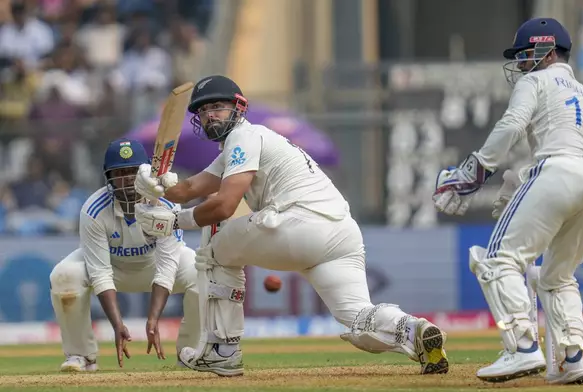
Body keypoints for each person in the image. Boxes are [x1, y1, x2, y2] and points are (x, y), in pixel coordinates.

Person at [132, 75, 449, 377]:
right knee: (357, 317)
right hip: (341, 233)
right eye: (203, 111)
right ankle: (414, 330)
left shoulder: (244, 136)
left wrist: (176, 220)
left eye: (217, 107)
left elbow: (224, 205)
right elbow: (189, 189)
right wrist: (157, 185)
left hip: (300, 224)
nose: (210, 116)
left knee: (214, 248)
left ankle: (222, 351)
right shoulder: (243, 143)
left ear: (239, 107)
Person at [432, 18, 583, 385]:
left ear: (545, 51)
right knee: (558, 276)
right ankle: (572, 356)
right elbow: (564, 147)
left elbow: (514, 124)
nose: (519, 65)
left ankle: (522, 347)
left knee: (497, 260)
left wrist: (475, 172)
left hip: (560, 171)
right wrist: (516, 184)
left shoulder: (536, 80)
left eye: (524, 55)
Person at [49, 138, 199, 372]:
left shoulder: (166, 204)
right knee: (64, 275)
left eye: (133, 171)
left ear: (146, 172)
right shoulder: (93, 209)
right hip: (113, 268)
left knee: (202, 270)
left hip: (155, 267)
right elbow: (100, 272)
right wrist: (117, 324)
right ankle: (81, 356)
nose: (128, 178)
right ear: (108, 178)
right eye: (119, 172)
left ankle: (191, 351)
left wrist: (152, 320)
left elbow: (168, 265)